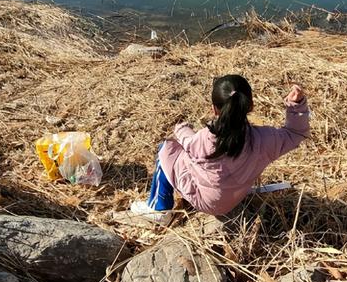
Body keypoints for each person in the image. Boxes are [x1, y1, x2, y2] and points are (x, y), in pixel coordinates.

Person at [130, 74, 310, 224]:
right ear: (250, 106)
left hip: (206, 202)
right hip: (235, 197)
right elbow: (295, 133)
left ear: (214, 110)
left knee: (167, 149)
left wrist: (181, 127)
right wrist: (297, 105)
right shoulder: (263, 140)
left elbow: (187, 142)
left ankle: (159, 209)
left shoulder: (205, 138)